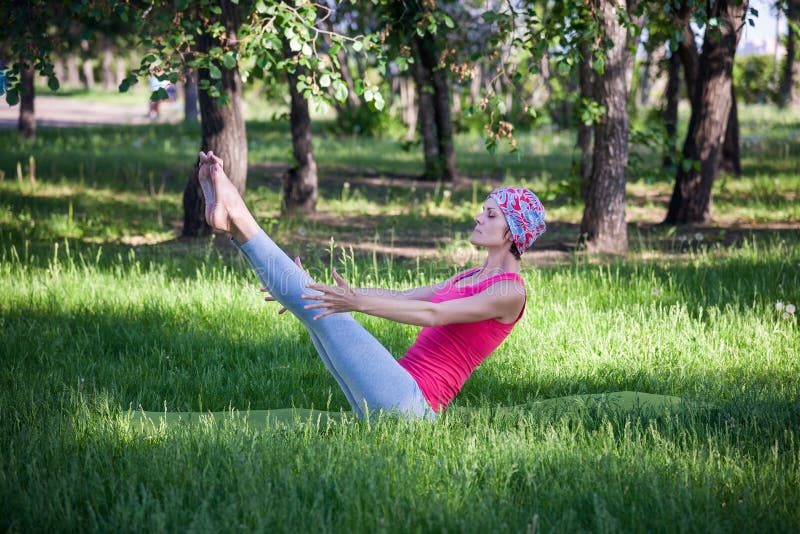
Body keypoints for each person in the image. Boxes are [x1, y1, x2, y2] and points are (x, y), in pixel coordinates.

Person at [196, 151, 546, 420]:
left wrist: (354, 303)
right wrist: (334, 294)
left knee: (327, 311)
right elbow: (405, 296)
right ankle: (233, 225)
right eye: (482, 210)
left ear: (513, 232)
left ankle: (238, 217)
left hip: (413, 406)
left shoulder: (509, 292)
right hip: (396, 392)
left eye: (490, 215)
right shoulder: (471, 275)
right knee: (318, 305)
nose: (478, 217)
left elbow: (433, 313)